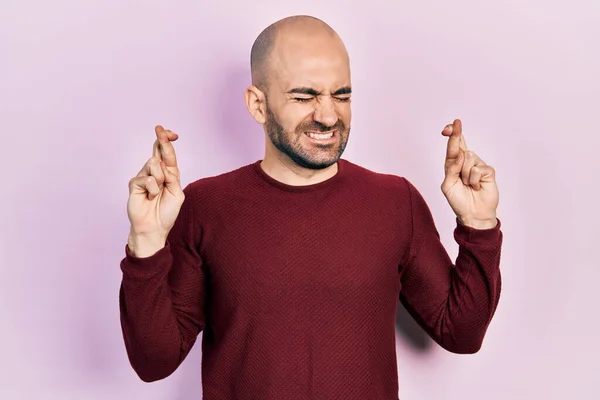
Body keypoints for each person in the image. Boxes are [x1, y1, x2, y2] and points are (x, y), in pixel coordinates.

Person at [119, 15, 503, 400]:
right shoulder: (205, 205)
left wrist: (479, 225)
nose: (328, 115)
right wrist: (147, 242)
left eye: (341, 95)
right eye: (304, 97)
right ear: (257, 104)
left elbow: (461, 334)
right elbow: (154, 362)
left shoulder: (394, 201)